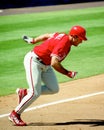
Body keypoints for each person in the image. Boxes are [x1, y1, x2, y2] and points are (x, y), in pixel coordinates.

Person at [8, 25, 87, 126]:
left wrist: (34, 40)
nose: (81, 41)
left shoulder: (63, 36)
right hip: (34, 61)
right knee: (35, 93)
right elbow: (54, 63)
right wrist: (67, 73)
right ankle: (15, 114)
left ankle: (24, 92)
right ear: (74, 36)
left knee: (53, 88)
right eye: (81, 39)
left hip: (45, 64)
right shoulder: (64, 43)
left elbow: (47, 35)